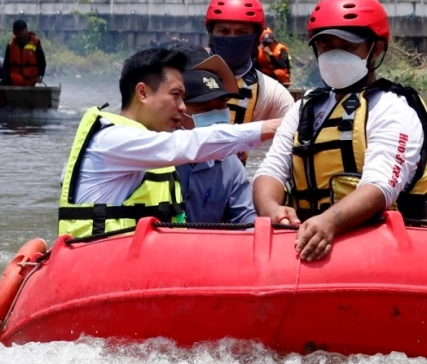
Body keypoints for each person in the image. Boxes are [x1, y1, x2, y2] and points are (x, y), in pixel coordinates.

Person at [252, 0, 427, 261]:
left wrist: (330, 222)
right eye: (326, 45)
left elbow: (381, 187)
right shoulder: (305, 107)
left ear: (376, 50)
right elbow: (270, 170)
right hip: (305, 238)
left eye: (347, 46)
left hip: (380, 249)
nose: (335, 55)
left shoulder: (393, 107)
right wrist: (271, 208)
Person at [57, 47, 279, 239]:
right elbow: (187, 143)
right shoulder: (111, 140)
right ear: (143, 93)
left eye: (183, 97)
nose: (181, 107)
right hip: (96, 264)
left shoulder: (162, 150)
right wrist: (272, 127)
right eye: (175, 95)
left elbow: (245, 221)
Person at [174, 63, 257, 225]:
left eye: (221, 106)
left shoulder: (230, 164)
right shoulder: (158, 156)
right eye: (204, 108)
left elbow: (245, 218)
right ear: (180, 111)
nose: (216, 114)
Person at [203, 0, 295, 125]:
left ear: (256, 38)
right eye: (223, 31)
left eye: (242, 32)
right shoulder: (186, 81)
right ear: (211, 33)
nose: (232, 39)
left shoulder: (273, 94)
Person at [4, 19, 46, 86]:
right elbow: (6, 65)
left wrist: (40, 76)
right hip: (14, 80)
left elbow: (42, 62)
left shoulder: (35, 43)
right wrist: (6, 78)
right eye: (17, 30)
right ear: (14, 32)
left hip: (31, 80)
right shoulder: (10, 46)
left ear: (26, 30)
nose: (19, 32)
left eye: (21, 30)